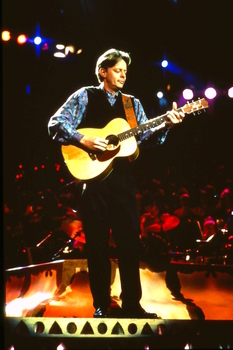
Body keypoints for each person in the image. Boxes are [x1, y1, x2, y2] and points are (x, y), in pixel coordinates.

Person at [48, 48, 184, 318]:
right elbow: (56, 123)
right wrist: (83, 139)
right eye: (117, 69)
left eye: (125, 71)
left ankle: (132, 304)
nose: (123, 74)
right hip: (92, 180)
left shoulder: (131, 104)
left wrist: (166, 125)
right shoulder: (85, 95)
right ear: (103, 71)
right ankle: (102, 305)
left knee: (129, 243)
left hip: (123, 180)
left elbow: (144, 138)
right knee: (97, 242)